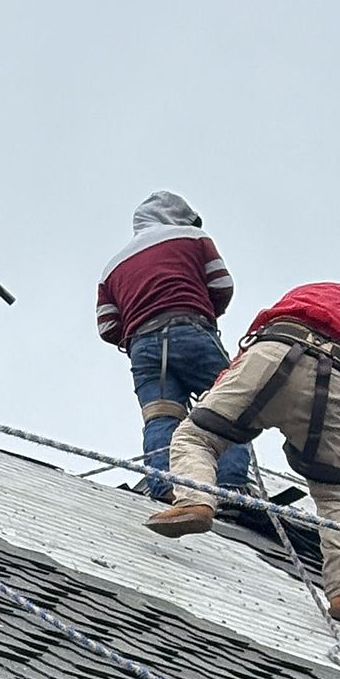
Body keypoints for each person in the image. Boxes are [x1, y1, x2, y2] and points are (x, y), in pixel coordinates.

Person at [148, 282, 340, 623]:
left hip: (270, 353)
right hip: (334, 377)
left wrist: (225, 393)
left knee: (196, 437)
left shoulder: (311, 291)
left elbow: (249, 350)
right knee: (337, 498)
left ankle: (196, 502)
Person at [96, 192, 249, 505]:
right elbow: (221, 286)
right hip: (191, 330)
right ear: (180, 215)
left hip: (143, 348)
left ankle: (166, 487)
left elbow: (107, 326)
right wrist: (202, 310)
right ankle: (230, 490)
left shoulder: (112, 268)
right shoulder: (194, 237)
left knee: (161, 417)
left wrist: (139, 328)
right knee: (230, 410)